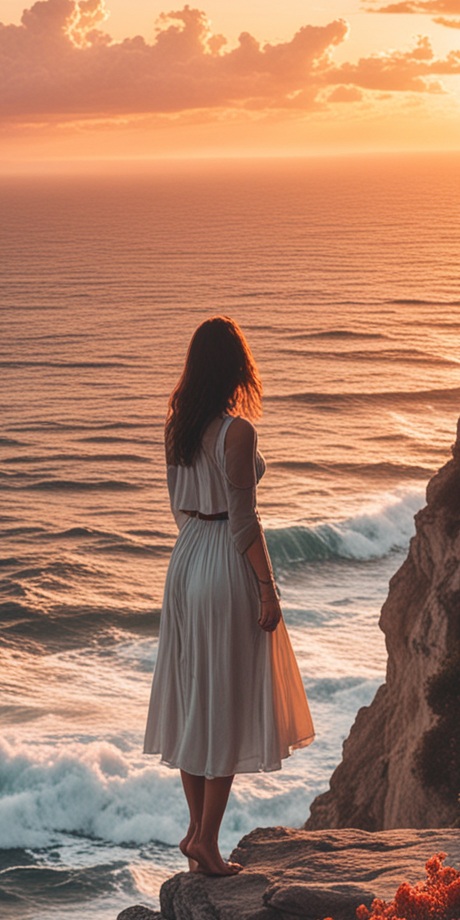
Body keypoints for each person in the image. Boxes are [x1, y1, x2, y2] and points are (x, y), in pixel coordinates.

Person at [143, 316, 314, 876]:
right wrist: (268, 590)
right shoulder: (236, 432)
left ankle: (196, 834)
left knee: (196, 699)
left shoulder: (178, 426)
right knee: (226, 702)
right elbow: (245, 523)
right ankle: (208, 842)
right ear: (236, 366)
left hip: (186, 555)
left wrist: (194, 555)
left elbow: (176, 503)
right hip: (222, 559)